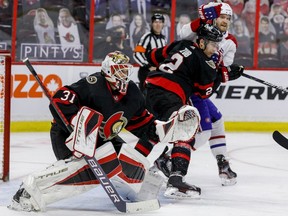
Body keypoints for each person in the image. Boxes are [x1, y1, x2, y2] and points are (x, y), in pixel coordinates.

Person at [8, 51, 183, 211]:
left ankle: (140, 190)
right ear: (108, 72)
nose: (124, 75)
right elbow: (61, 98)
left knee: (127, 158)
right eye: (119, 70)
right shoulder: (94, 84)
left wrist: (161, 129)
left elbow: (141, 122)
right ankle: (29, 191)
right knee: (85, 169)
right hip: (67, 135)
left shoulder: (133, 93)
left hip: (102, 140)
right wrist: (77, 123)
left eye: (125, 70)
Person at [134, 23, 244, 199]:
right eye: (213, 45)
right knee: (185, 131)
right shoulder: (205, 63)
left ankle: (130, 166)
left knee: (154, 131)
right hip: (170, 95)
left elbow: (153, 56)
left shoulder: (180, 44)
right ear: (201, 43)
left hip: (149, 89)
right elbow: (203, 92)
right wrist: (224, 75)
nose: (216, 49)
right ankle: (176, 180)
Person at [154, 2, 239, 186]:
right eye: (222, 17)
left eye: (228, 18)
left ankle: (222, 163)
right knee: (203, 131)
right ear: (215, 17)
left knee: (217, 119)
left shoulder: (230, 41)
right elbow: (182, 34)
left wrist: (230, 72)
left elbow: (221, 70)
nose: (225, 21)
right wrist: (200, 19)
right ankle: (168, 159)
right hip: (188, 86)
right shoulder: (201, 30)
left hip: (200, 87)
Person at [133, 13, 166, 94]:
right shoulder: (146, 37)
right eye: (155, 22)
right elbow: (137, 54)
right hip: (146, 73)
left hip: (158, 73)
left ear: (163, 24)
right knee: (145, 97)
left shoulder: (163, 39)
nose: (158, 24)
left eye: (160, 22)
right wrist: (148, 66)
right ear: (151, 24)